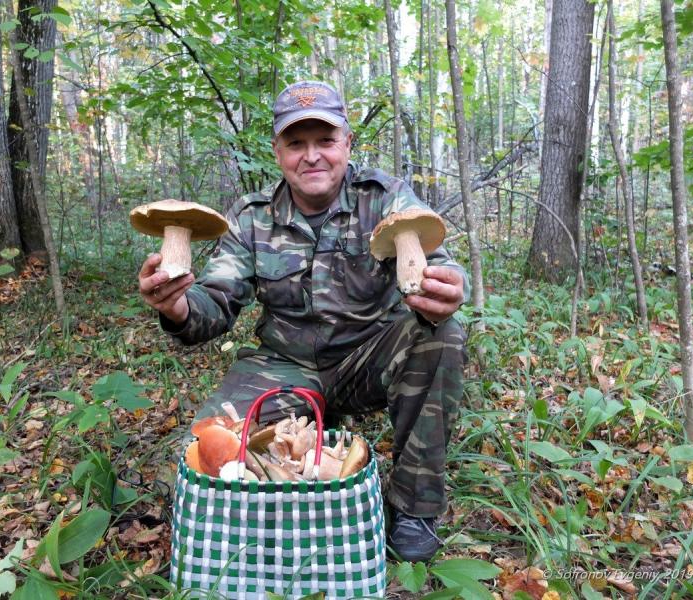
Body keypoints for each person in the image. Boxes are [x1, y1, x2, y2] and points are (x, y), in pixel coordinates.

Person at [138, 80, 469, 562]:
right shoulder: (252, 219)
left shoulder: (384, 198)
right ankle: (263, 501)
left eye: (325, 141)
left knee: (441, 336)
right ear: (278, 152)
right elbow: (214, 303)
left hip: (365, 358)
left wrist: (451, 287)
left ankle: (414, 506)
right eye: (296, 143)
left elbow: (440, 260)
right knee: (202, 453)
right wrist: (176, 307)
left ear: (347, 144)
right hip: (282, 365)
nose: (311, 156)